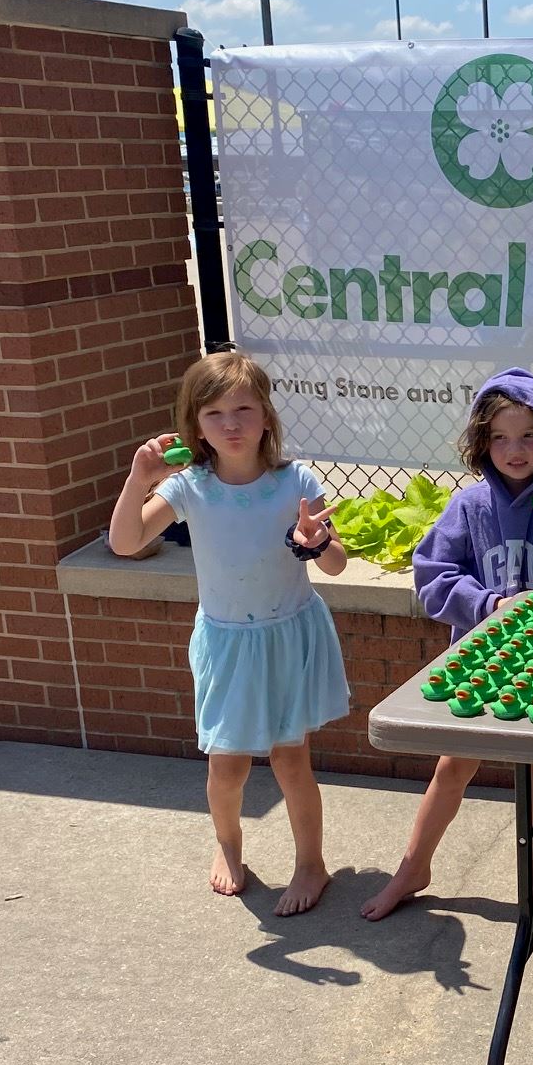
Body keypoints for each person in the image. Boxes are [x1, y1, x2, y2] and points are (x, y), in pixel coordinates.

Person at [108, 350, 352, 915]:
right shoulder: (190, 487)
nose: (232, 423)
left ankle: (311, 864)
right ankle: (229, 848)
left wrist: (317, 543)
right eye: (215, 413)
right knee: (228, 765)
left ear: (267, 416)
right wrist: (140, 478)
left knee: (293, 761)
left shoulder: (296, 482)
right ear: (195, 424)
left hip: (288, 636)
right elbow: (124, 543)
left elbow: (335, 563)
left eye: (244, 408)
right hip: (226, 643)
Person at [362, 368, 533, 921]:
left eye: (528, 437)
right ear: (481, 441)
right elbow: (431, 577)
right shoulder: (468, 507)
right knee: (454, 765)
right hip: (483, 664)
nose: (514, 450)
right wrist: (486, 605)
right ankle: (414, 866)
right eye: (500, 437)